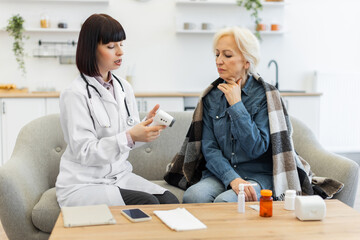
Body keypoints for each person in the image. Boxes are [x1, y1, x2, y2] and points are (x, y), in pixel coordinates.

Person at [55, 13, 179, 207]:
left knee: (169, 199)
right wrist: (130, 136)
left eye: (122, 44)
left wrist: (144, 128)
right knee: (147, 203)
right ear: (91, 49)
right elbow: (86, 152)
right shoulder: (75, 93)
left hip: (119, 176)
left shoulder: (123, 87)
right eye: (111, 46)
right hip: (83, 183)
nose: (120, 52)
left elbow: (126, 139)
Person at [182, 27, 273, 203]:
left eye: (227, 55)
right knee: (193, 196)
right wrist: (232, 178)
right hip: (221, 173)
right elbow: (209, 148)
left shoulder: (265, 96)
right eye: (217, 55)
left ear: (247, 61)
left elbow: (257, 148)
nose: (219, 61)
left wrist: (236, 105)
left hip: (257, 175)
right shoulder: (211, 97)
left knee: (225, 202)